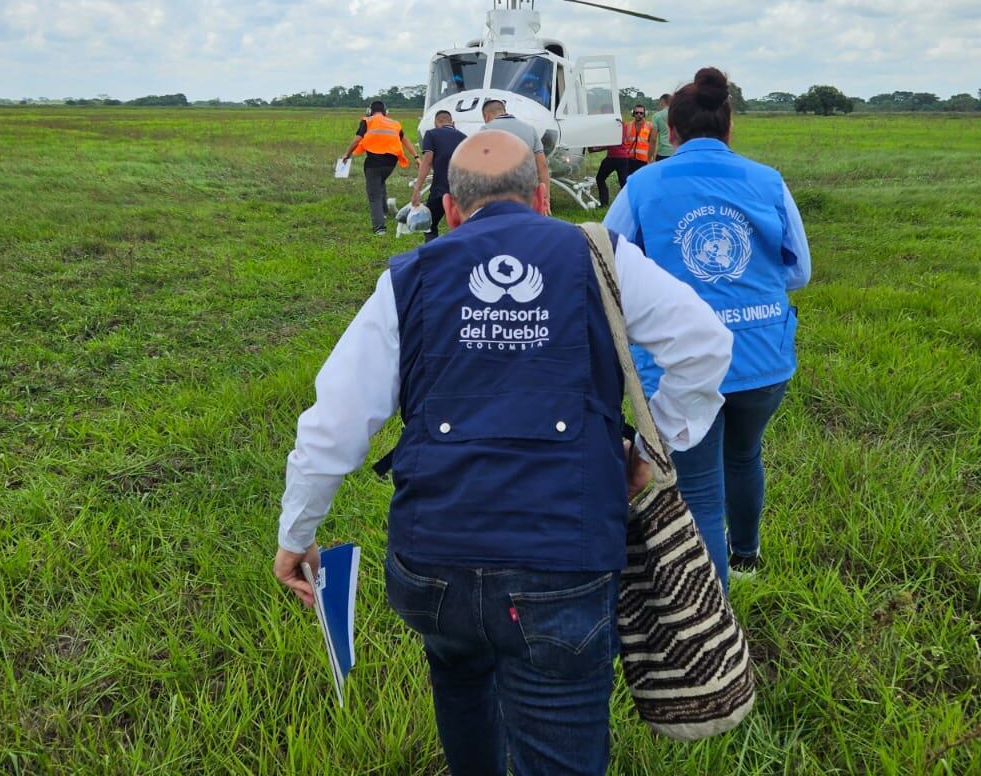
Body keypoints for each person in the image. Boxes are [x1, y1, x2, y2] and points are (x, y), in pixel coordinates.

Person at [274, 132, 733, 775]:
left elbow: (334, 425)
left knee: (461, 686)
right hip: (564, 560)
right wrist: (657, 450)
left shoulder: (409, 276)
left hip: (434, 565)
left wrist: (297, 533)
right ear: (543, 198)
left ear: (452, 210)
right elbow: (705, 344)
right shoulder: (600, 255)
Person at [602, 67, 811, 587]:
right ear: (728, 126)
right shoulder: (768, 180)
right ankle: (746, 558)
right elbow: (800, 272)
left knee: (698, 490)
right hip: (764, 358)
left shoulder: (642, 185)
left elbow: (606, 265)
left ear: (669, 132)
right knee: (744, 456)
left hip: (681, 366)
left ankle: (712, 607)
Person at [341, 99, 420, 235]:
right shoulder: (394, 123)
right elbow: (404, 139)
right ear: (385, 112)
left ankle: (379, 228)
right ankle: (383, 210)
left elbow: (358, 139)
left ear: (370, 111)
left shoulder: (367, 120)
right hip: (391, 163)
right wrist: (416, 157)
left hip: (374, 163)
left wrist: (347, 154)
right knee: (380, 181)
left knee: (374, 195)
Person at [480, 98, 552, 212]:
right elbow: (542, 165)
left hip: (496, 195)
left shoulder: (485, 130)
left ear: (486, 116)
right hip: (526, 192)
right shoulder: (530, 130)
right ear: (504, 110)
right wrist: (545, 197)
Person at [411, 109, 467, 241]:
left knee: (430, 224)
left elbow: (427, 161)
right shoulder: (464, 137)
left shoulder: (431, 134)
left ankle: (433, 253)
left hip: (439, 189)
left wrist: (417, 188)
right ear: (453, 123)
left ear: (436, 123)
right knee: (460, 227)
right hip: (460, 190)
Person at [594, 104, 655, 207]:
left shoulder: (649, 125)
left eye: (641, 113)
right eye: (636, 113)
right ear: (633, 113)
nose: (639, 115)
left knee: (637, 183)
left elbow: (653, 142)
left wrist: (651, 158)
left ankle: (638, 203)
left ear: (645, 114)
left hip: (641, 159)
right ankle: (624, 205)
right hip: (628, 158)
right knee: (626, 184)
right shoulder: (627, 125)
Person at [650, 93, 673, 161]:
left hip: (663, 153)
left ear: (662, 102)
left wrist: (649, 157)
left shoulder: (657, 116)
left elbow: (653, 139)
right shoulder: (678, 114)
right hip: (677, 152)